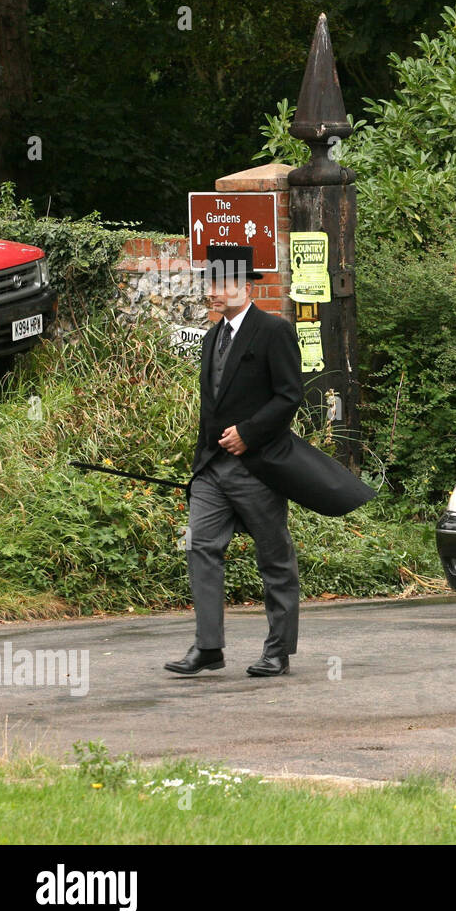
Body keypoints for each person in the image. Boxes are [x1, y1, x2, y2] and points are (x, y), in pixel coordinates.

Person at [165, 244, 303, 678]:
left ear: (244, 287)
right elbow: (211, 409)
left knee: (273, 558)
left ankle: (278, 650)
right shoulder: (211, 337)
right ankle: (209, 648)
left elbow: (289, 396)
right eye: (211, 283)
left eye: (221, 284)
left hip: (258, 468)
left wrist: (249, 433)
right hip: (211, 469)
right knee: (201, 547)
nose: (214, 292)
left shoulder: (273, 331)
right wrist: (199, 463)